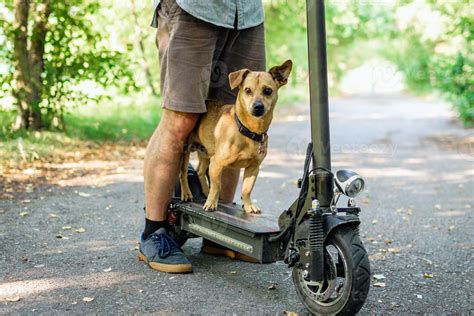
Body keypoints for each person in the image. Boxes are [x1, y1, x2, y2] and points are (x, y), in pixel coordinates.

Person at [139, 0, 266, 273]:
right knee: (180, 117)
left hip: (247, 15)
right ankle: (154, 233)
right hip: (194, 8)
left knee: (237, 119)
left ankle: (218, 234)